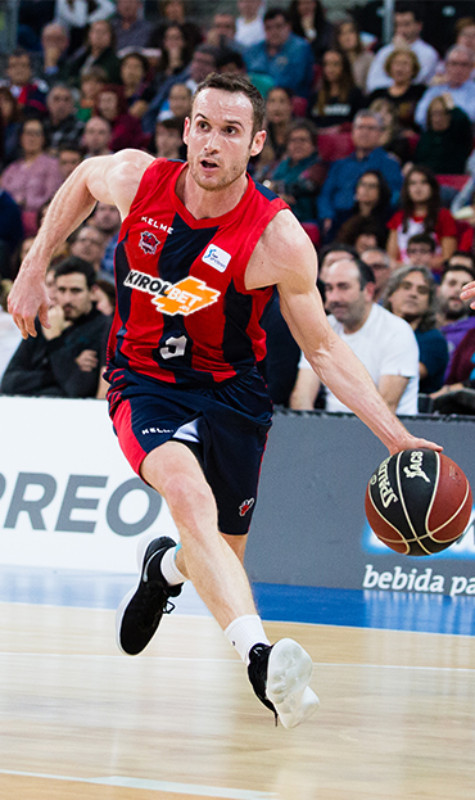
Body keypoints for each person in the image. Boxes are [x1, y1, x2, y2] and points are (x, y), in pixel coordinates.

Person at [8, 73, 440, 728]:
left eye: (230, 131)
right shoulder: (138, 180)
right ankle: (262, 660)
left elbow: (323, 349)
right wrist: (35, 264)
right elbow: (83, 180)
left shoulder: (276, 237)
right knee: (188, 496)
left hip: (232, 393)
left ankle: (164, 570)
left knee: (215, 552)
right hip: (144, 381)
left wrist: (397, 437)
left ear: (256, 143)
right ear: (186, 130)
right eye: (203, 126)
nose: (212, 143)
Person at [290, 257, 419, 414]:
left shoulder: (397, 331)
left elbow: (386, 407)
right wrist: (307, 428)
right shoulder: (321, 329)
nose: (334, 298)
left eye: (343, 287)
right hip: (332, 426)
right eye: (329, 289)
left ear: (368, 291)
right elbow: (302, 397)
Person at [2, 256, 110, 397]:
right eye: (62, 290)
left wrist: (55, 340)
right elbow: (8, 383)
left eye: (76, 291)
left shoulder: (104, 327)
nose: (67, 299)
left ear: (92, 292)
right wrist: (71, 365)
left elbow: (77, 390)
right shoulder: (42, 322)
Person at [317, 110, 403, 242]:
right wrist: (327, 216)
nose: (365, 132)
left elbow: (394, 196)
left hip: (373, 222)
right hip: (339, 220)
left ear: (380, 133)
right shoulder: (340, 165)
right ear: (353, 132)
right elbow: (325, 195)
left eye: (371, 128)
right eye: (360, 127)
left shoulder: (390, 164)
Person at [383, 264, 449, 394]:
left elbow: (402, 376)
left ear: (429, 303)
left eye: (422, 291)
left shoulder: (434, 340)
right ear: (391, 295)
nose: (413, 294)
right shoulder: (374, 331)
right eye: (406, 287)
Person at [0, 118, 63, 237]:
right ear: (21, 137)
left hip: (37, 222)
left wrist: (25, 202)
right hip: (9, 221)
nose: (31, 138)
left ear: (43, 138)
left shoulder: (52, 165)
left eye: (36, 134)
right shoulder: (12, 168)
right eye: (28, 133)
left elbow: (52, 196)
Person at [386, 166, 457, 268]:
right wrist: (408, 266)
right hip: (403, 272)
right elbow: (391, 259)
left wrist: (422, 265)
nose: (418, 188)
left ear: (432, 187)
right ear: (407, 189)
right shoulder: (398, 217)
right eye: (413, 183)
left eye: (424, 182)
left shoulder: (444, 216)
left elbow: (448, 258)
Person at [365, 2, 439, 93]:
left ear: (419, 26)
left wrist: (403, 51)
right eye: (398, 25)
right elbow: (372, 84)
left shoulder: (428, 53)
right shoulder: (385, 51)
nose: (401, 30)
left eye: (406, 24)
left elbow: (415, 83)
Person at [243, 7, 315, 101]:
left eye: (278, 26)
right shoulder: (253, 50)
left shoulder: (300, 48)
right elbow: (245, 76)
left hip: (290, 100)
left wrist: (259, 81)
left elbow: (293, 82)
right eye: (268, 28)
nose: (274, 32)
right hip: (257, 100)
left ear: (289, 26)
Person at [414, 46, 475, 128]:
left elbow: (470, 117)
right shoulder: (435, 89)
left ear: (471, 67)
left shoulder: (473, 90)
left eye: (464, 65)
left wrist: (448, 107)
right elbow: (419, 117)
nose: (458, 69)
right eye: (454, 64)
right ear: (446, 66)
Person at [367, 47, 425, 132]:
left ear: (413, 69)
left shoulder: (420, 92)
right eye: (396, 64)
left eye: (405, 64)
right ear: (389, 68)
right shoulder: (377, 94)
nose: (400, 69)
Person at [436, 256, 475, 379]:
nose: (458, 290)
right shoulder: (421, 325)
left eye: (465, 286)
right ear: (438, 290)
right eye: (452, 283)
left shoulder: (473, 333)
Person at [413, 95, 473, 176]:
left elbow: (462, 120)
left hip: (452, 179)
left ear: (449, 116)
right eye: (433, 114)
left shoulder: (457, 135)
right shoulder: (425, 137)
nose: (437, 119)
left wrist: (452, 107)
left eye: (441, 114)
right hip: (428, 179)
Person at [308, 48, 364, 131]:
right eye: (326, 64)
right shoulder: (315, 96)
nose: (330, 69)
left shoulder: (356, 94)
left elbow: (360, 123)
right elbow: (308, 124)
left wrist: (340, 128)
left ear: (344, 67)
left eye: (335, 64)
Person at [333, 17, 374, 92]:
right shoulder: (332, 59)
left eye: (351, 32)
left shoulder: (369, 59)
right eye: (342, 33)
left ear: (357, 35)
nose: (347, 37)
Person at [44, 84, 85, 155]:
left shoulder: (80, 128)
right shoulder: (41, 126)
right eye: (56, 99)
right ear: (48, 103)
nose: (61, 104)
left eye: (66, 100)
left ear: (72, 104)